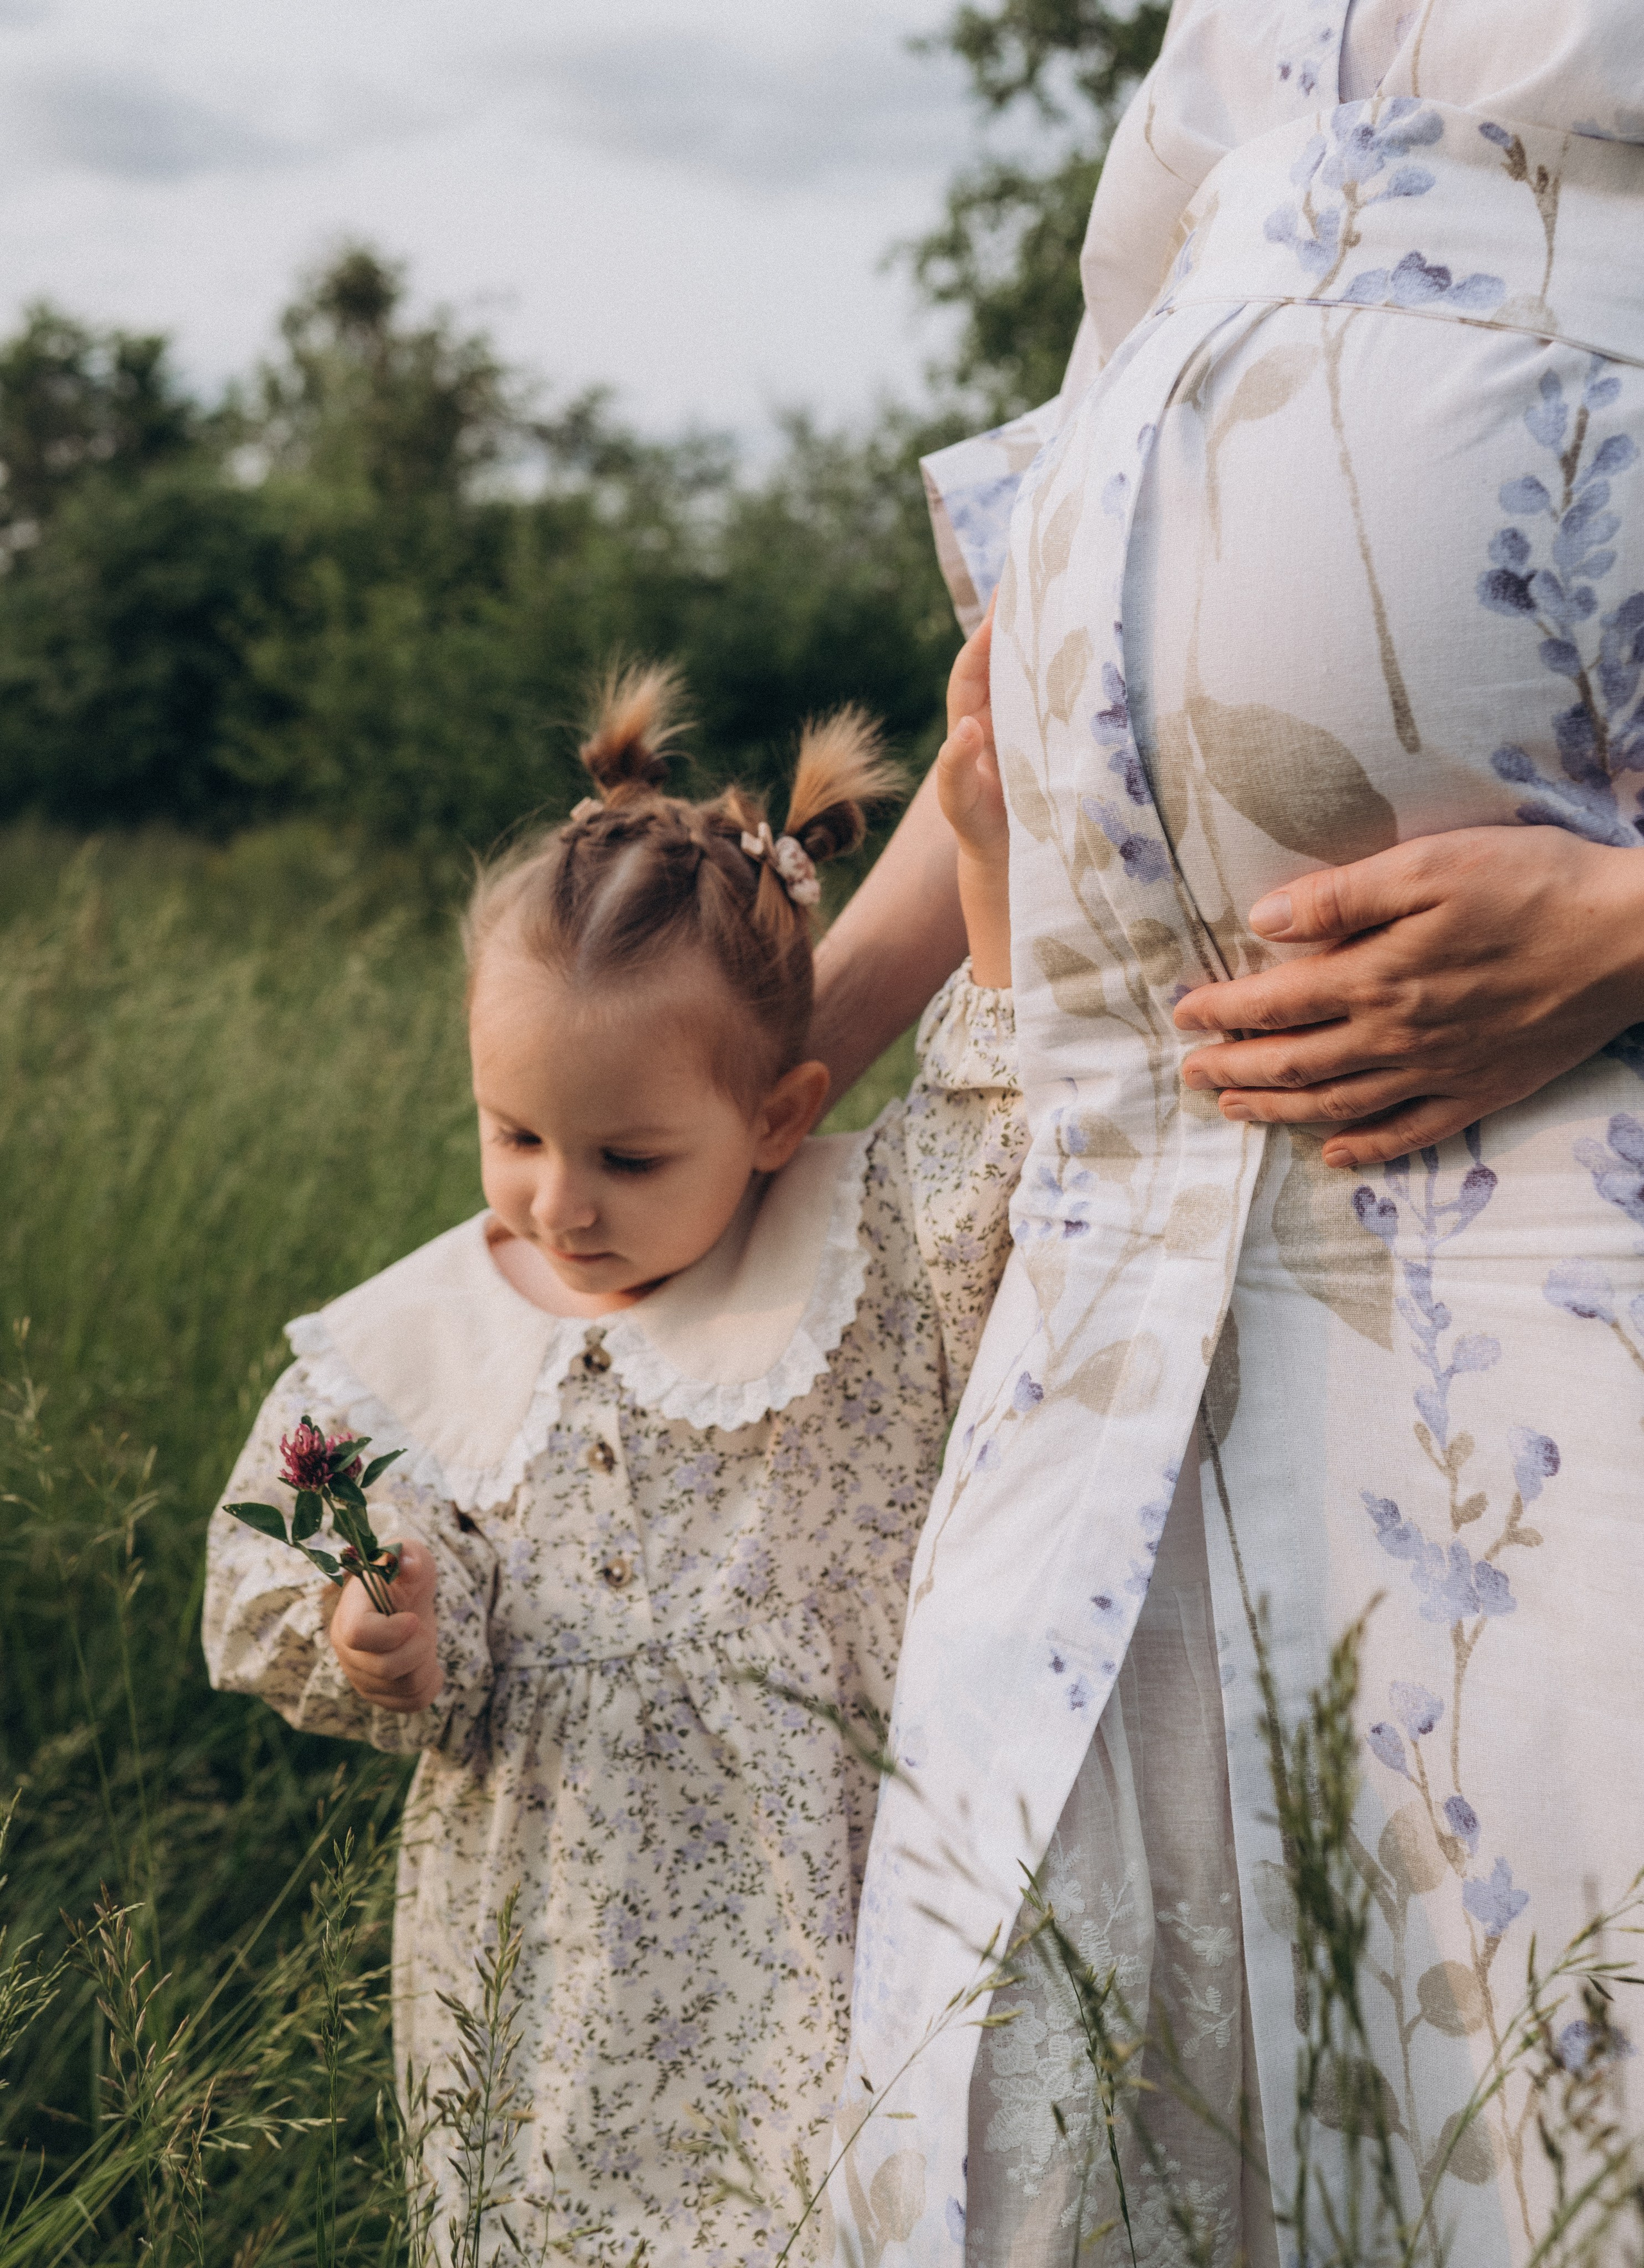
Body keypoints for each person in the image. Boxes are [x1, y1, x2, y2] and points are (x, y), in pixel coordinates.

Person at [821, 2, 1644, 2262]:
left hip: (1558, 1234)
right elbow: (1045, 614)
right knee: (1040, 2124)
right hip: (1126, 1264)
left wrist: (1627, 921)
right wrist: (798, 1022)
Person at [202, 657, 1024, 2264]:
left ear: (781, 1115)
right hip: (547, 1966)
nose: (559, 1204)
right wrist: (374, 1631)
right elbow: (289, 1539)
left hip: (827, 1918)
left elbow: (992, 1143)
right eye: (512, 1132)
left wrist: (989, 868)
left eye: (629, 1157)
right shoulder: (419, 1341)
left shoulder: (852, 1265)